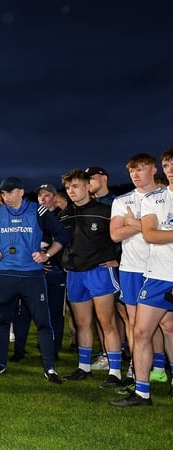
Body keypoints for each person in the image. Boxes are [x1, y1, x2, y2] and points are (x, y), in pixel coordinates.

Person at [0, 177, 68, 383]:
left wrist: (47, 255)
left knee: (43, 323)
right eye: (3, 193)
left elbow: (62, 235)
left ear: (21, 192)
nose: (6, 197)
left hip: (32, 277)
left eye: (10, 193)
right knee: (1, 322)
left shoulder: (38, 211)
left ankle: (50, 368)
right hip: (6, 276)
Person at [111, 147, 173, 407]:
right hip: (157, 275)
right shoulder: (154, 200)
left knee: (169, 327)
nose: (171, 169)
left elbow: (155, 232)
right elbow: (150, 235)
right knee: (141, 331)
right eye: (168, 164)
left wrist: (154, 229)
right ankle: (142, 392)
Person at [58, 169, 123, 388]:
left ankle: (115, 371)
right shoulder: (65, 215)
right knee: (82, 323)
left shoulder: (106, 211)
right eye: (68, 188)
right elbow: (60, 242)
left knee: (107, 322)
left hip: (100, 272)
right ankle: (83, 367)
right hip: (75, 274)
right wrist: (64, 262)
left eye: (75, 186)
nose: (71, 191)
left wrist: (118, 260)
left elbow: (123, 238)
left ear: (88, 186)